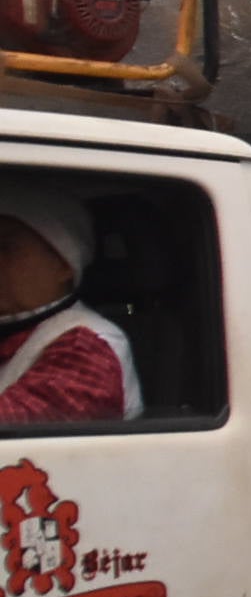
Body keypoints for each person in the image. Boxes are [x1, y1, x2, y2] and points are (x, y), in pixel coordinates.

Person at [0, 179, 137, 422]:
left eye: (6, 247)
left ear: (63, 264)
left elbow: (24, 424)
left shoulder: (84, 344)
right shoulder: (13, 331)